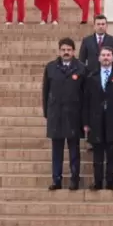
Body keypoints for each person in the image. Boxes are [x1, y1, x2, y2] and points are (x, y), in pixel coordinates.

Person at [42, 38, 85, 190]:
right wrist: (47, 113)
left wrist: (84, 118)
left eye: (69, 50)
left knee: (74, 150)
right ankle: (56, 180)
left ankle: (74, 179)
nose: (66, 52)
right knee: (57, 150)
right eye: (63, 50)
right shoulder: (51, 67)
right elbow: (46, 91)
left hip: (74, 115)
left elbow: (85, 94)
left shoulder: (81, 68)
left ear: (73, 51)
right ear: (59, 51)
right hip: (56, 114)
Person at [83, 45, 113, 191]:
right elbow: (86, 101)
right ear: (99, 58)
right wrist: (86, 122)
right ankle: (97, 181)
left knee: (111, 153)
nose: (106, 58)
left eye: (108, 55)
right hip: (96, 121)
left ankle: (110, 181)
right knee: (97, 154)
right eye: (103, 55)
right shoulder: (91, 77)